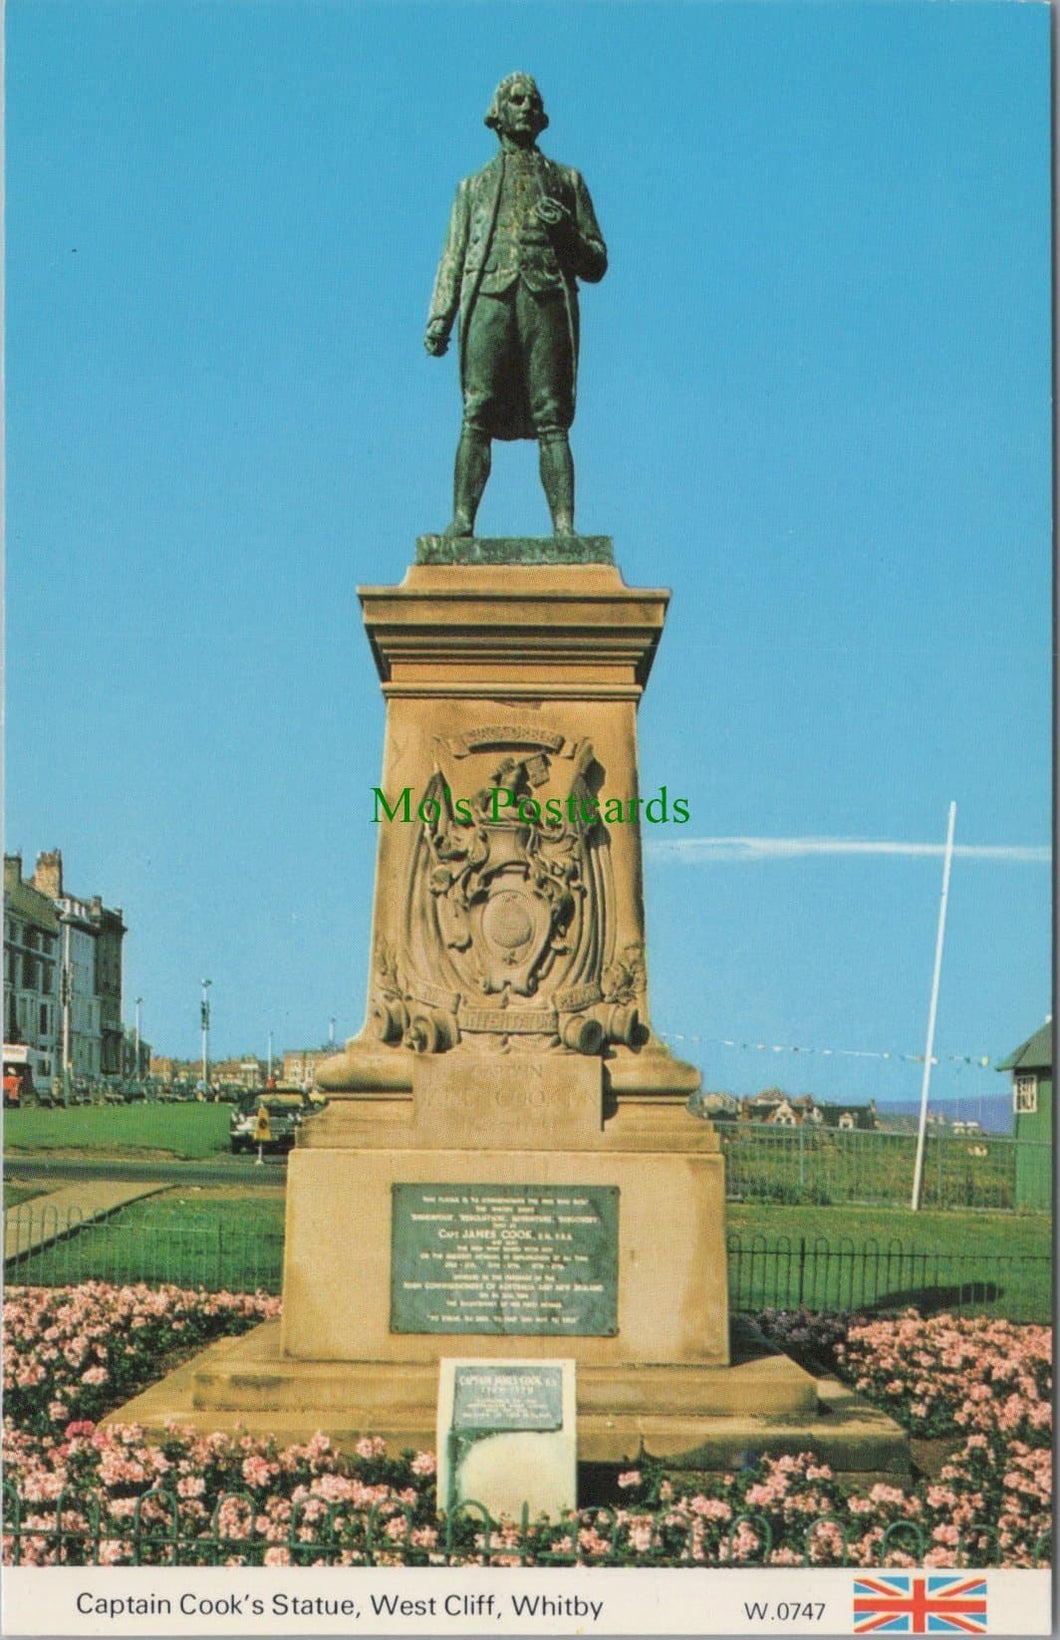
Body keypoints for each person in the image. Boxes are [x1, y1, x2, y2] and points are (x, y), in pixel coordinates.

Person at [425, 73, 607, 537]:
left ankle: (564, 530)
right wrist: (440, 318)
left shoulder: (568, 181)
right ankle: (462, 521)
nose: (526, 106)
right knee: (477, 411)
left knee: (552, 417)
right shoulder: (472, 188)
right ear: (498, 114)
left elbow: (596, 262)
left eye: (533, 101)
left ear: (542, 117)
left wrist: (565, 231)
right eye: (516, 99)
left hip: (545, 300)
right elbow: (454, 254)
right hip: (489, 297)